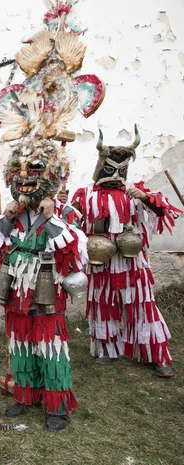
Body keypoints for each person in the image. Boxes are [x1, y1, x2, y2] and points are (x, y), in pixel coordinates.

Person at [0, 139, 88, 431]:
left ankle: (57, 407)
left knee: (51, 350)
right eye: (18, 168)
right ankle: (25, 395)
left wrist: (50, 217)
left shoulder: (66, 214)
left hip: (47, 296)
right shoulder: (15, 213)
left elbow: (75, 252)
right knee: (20, 348)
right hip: (17, 294)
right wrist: (6, 218)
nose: (24, 175)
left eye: (34, 169)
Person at [71, 127, 181, 377]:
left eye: (121, 170)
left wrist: (144, 197)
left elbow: (163, 212)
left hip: (131, 263)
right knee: (102, 304)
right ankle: (108, 349)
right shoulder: (85, 194)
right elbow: (71, 221)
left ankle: (156, 354)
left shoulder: (134, 191)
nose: (115, 175)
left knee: (142, 305)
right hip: (100, 262)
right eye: (110, 169)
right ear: (100, 167)